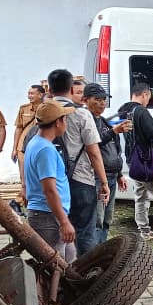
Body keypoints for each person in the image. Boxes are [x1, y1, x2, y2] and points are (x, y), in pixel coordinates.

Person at [48, 69, 110, 257]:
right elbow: (93, 151)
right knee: (85, 230)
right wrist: (104, 182)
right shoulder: (82, 114)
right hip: (81, 179)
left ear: (50, 89)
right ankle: (86, 273)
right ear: (71, 88)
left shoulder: (43, 112)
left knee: (57, 229)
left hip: (52, 181)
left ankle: (59, 273)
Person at [118, 83, 153, 240]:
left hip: (132, 161)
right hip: (146, 161)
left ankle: (144, 231)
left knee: (141, 196)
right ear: (144, 95)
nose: (147, 101)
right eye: (148, 97)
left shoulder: (123, 110)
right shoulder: (142, 112)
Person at [23, 100, 78, 258]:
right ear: (58, 122)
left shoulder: (36, 142)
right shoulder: (45, 149)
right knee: (55, 270)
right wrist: (64, 222)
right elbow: (49, 190)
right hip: (47, 216)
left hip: (49, 214)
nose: (66, 123)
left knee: (68, 260)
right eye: (65, 119)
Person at [83, 83, 131, 247]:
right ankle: (93, 255)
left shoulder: (103, 120)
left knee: (106, 219)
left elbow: (115, 149)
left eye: (104, 99)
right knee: (97, 220)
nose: (102, 103)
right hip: (96, 178)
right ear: (86, 100)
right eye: (98, 99)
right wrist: (114, 131)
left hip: (111, 177)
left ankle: (101, 250)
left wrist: (119, 174)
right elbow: (94, 143)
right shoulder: (86, 120)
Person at [11, 84, 45, 211]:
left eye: (32, 93)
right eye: (29, 93)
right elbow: (18, 128)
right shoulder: (23, 109)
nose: (29, 96)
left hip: (38, 146)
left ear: (40, 95)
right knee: (24, 177)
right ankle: (22, 203)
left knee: (37, 176)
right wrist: (14, 148)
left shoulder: (46, 108)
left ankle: (18, 201)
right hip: (22, 147)